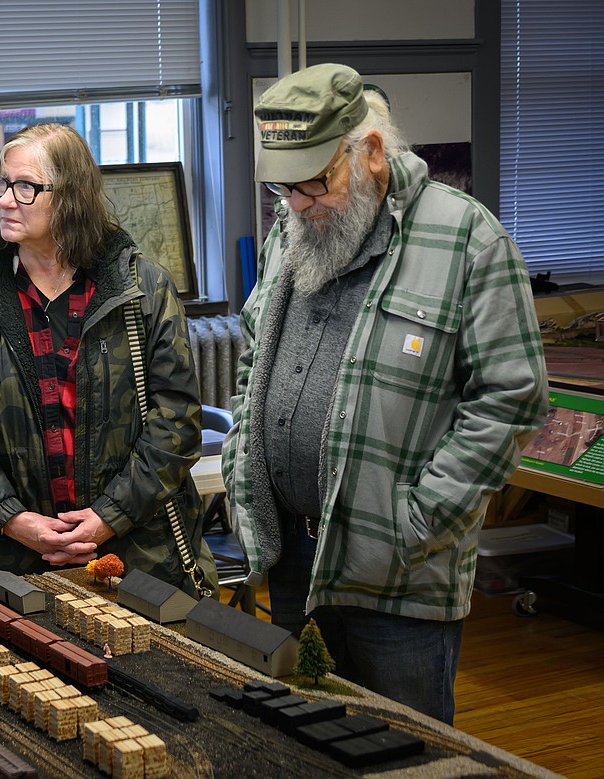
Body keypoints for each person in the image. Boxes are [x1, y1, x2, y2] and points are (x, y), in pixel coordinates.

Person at [220, 63, 548, 724]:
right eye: (284, 189)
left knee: (404, 754)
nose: (298, 204)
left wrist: (417, 521)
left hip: (397, 576)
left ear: (370, 152)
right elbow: (255, 351)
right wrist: (238, 465)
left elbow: (511, 398)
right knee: (303, 744)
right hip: (292, 562)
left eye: (315, 183)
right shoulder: (295, 229)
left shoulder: (467, 240)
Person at [0, 122, 213, 594]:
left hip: (137, 558)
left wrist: (108, 516)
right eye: (0, 183)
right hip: (16, 563)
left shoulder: (142, 290)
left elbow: (176, 423)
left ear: (70, 197)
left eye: (24, 187)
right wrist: (15, 520)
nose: (2, 199)